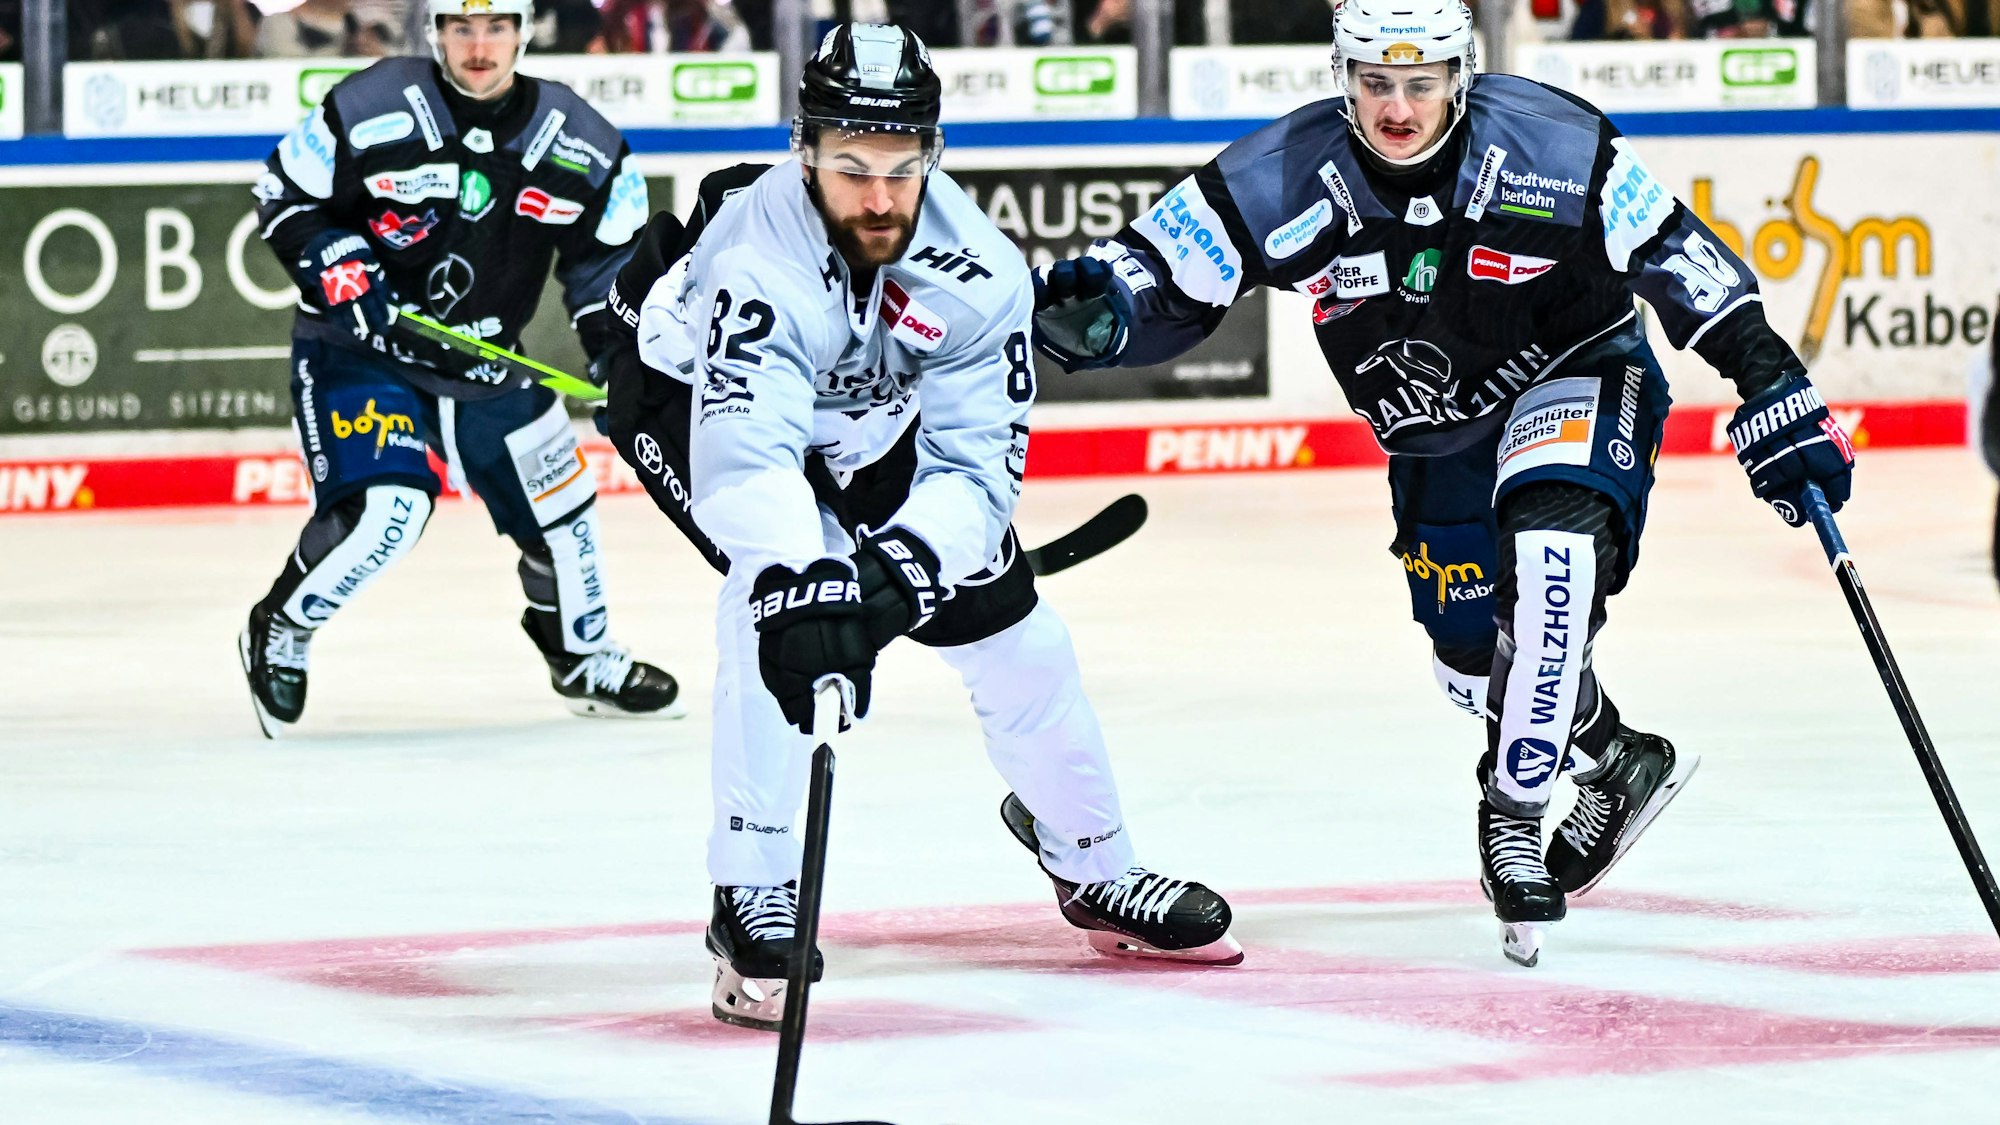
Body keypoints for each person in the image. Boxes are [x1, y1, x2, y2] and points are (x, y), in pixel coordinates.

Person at [1030, 0, 1854, 966]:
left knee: (1554, 564)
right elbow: (1160, 269)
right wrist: (1105, 310)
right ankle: (1616, 754)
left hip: (1576, 367)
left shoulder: (1551, 141)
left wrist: (1769, 375)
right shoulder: (1282, 173)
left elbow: (1679, 256)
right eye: (1375, 82)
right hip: (1436, 435)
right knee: (1472, 663)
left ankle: (1511, 812)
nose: (1398, 107)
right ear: (1343, 74)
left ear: (1461, 75)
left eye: (1421, 83)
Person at [603, 23, 1242, 1031]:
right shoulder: (756, 249)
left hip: (869, 430)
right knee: (776, 610)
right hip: (691, 406)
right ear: (804, 149)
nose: (876, 196)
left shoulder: (977, 269)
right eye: (849, 165)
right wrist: (821, 584)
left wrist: (899, 575)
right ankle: (752, 898)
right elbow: (749, 461)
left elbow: (973, 470)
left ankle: (1094, 867)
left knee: (1022, 648)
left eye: (901, 167)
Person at [239, 0, 681, 737]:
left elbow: (610, 263)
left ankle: (581, 654)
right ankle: (280, 626)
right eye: (461, 28)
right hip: (363, 349)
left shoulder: (584, 140)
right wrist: (337, 264)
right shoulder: (369, 104)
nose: (479, 45)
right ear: (436, 33)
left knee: (564, 517)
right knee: (389, 513)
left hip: (485, 358)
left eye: (496, 27)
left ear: (523, 31)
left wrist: (618, 351)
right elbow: (283, 192)